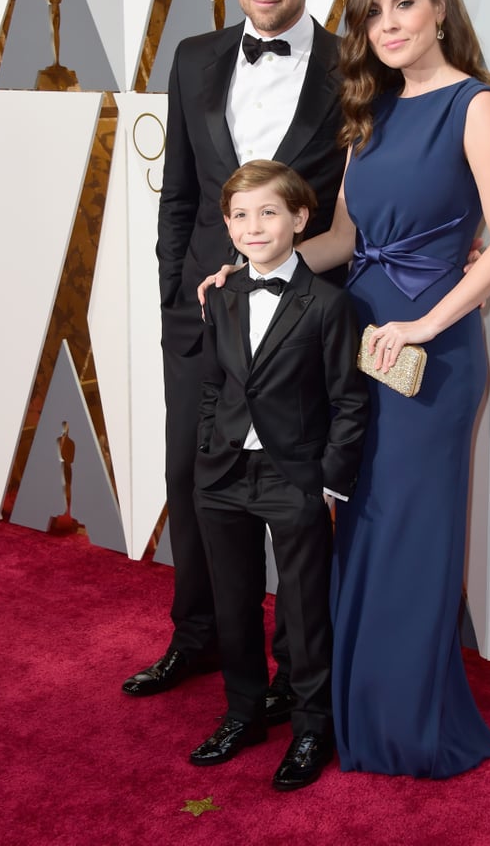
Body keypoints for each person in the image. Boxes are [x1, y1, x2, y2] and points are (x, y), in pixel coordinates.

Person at [253, 0, 490, 777]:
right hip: (357, 349)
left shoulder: (474, 106)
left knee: (410, 532)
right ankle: (354, 705)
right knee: (361, 527)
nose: (388, 24)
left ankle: (408, 722)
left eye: (404, 4)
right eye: (373, 12)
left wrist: (424, 325)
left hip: (429, 359)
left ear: (439, 9)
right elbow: (343, 236)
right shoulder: (369, 113)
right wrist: (267, 263)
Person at [121, 0, 347, 714]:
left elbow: (370, 199)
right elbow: (178, 192)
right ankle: (200, 633)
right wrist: (175, 300)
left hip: (298, 323)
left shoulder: (350, 67)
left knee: (290, 495)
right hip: (203, 319)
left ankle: (294, 669)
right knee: (191, 479)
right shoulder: (193, 57)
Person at [190, 160, 368, 790]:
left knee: (302, 604)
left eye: (268, 212)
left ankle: (313, 727)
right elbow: (214, 384)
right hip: (224, 474)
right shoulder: (221, 294)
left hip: (295, 476)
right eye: (239, 215)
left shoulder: (329, 304)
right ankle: (242, 712)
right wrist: (210, 446)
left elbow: (350, 401)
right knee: (233, 603)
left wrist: (327, 481)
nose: (253, 226)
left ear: (299, 218)